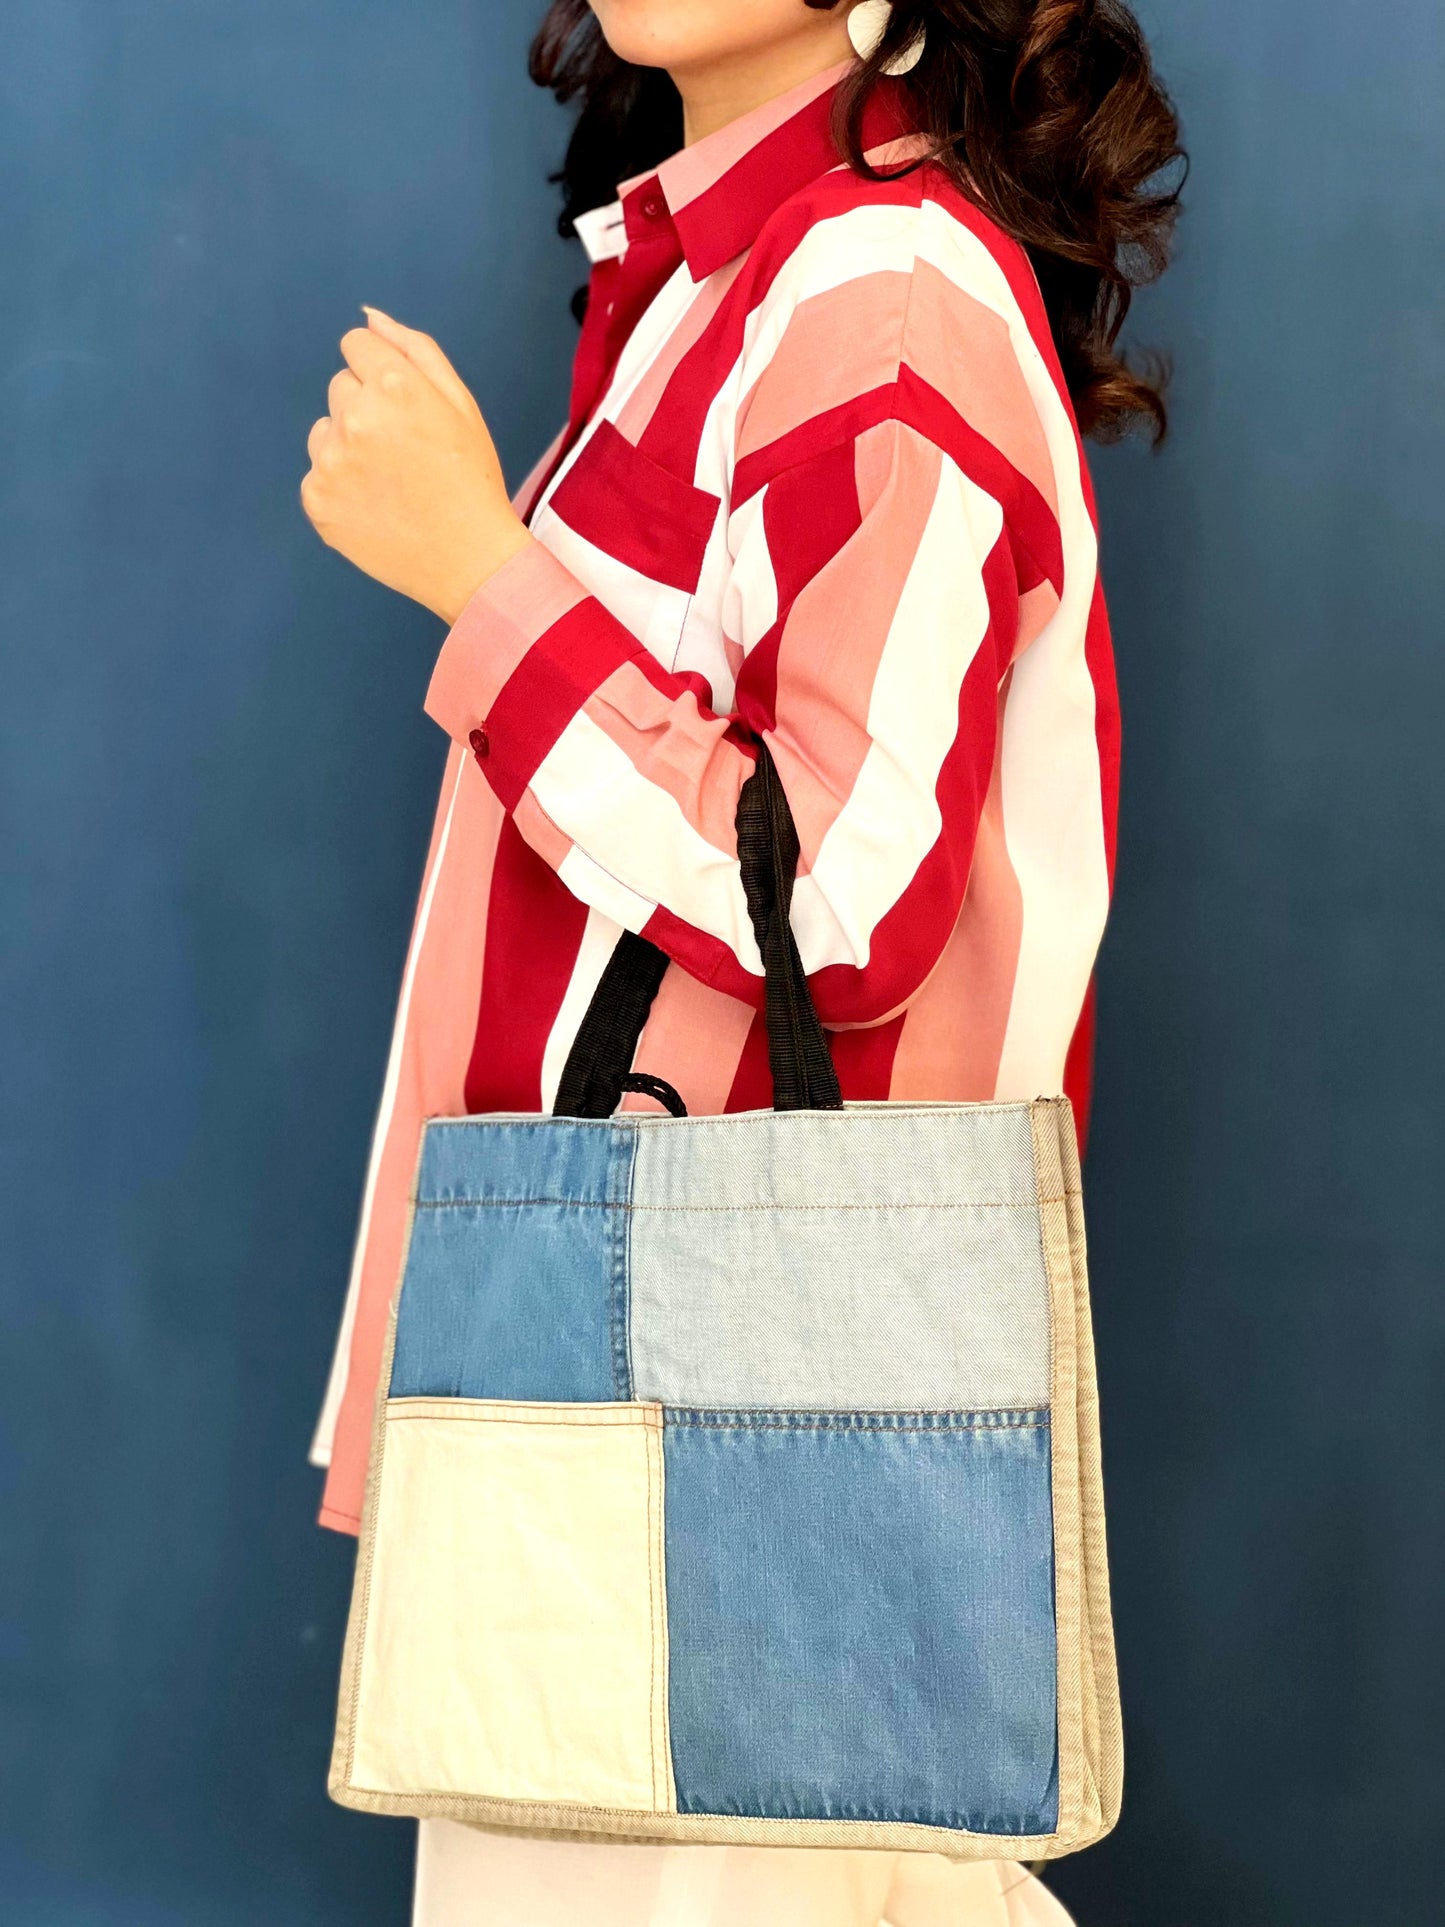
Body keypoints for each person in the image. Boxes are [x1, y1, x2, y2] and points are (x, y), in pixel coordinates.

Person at [300, 2, 1180, 1921]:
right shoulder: (729, 279)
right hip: (626, 1378)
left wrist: (482, 579)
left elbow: (850, 905)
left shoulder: (878, 295)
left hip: (722, 1404)